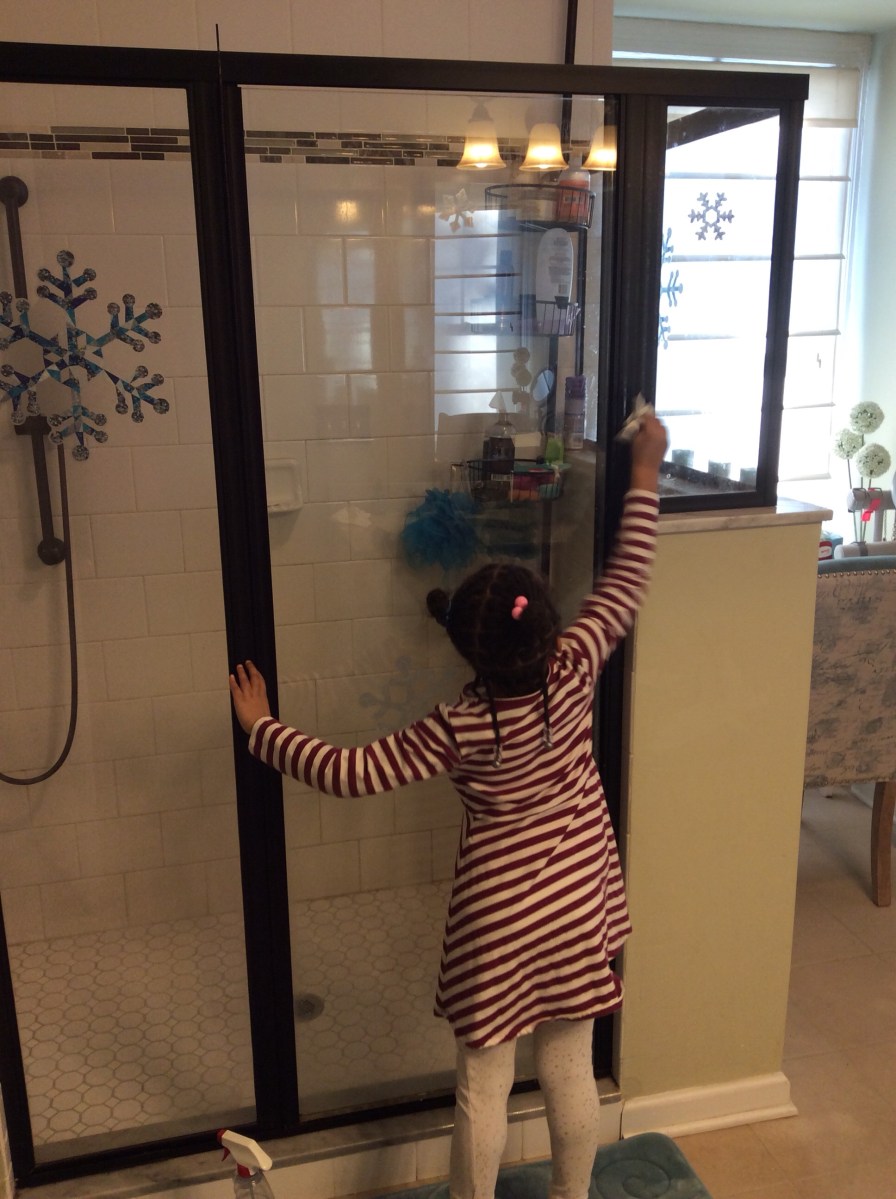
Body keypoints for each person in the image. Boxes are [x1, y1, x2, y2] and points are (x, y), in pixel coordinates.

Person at [229, 415, 667, 1199]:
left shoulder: (459, 724)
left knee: (484, 1081)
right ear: (548, 624)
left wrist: (263, 729)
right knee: (570, 1065)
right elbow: (627, 578)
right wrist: (644, 472)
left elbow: (350, 771)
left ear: (466, 649)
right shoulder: (576, 666)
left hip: (499, 920)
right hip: (577, 903)